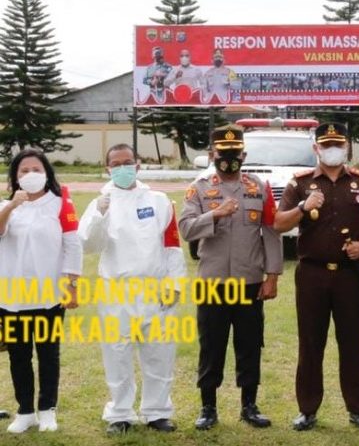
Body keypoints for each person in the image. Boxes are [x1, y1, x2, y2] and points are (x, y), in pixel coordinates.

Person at [275, 122, 359, 431]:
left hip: (349, 275)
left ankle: (358, 408)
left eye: (337, 144)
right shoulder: (300, 183)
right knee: (310, 343)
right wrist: (303, 207)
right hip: (312, 274)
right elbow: (279, 224)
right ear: (316, 149)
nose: (332, 150)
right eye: (326, 145)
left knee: (352, 342)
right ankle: (307, 409)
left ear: (346, 147)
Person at [78, 144, 187, 434]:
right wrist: (99, 215)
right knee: (117, 353)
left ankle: (156, 411)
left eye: (128, 162)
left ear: (137, 166)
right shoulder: (101, 202)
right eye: (116, 163)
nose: (123, 168)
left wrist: (175, 284)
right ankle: (120, 413)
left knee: (159, 353)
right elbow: (89, 245)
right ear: (108, 168)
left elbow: (172, 244)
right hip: (116, 289)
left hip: (154, 287)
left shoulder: (159, 200)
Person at [178, 126, 282, 430]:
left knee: (250, 345)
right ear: (213, 155)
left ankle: (249, 405)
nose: (229, 160)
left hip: (249, 281)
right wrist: (216, 214)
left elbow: (271, 232)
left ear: (244, 155)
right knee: (211, 345)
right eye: (223, 155)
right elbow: (185, 229)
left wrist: (272, 274)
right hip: (213, 284)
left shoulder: (257, 187)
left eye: (235, 154)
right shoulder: (198, 188)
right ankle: (208, 407)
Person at [0, 149, 82, 433]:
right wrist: (11, 206)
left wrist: (71, 285)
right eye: (23, 171)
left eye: (36, 169)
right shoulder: (6, 206)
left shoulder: (59, 203)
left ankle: (47, 409)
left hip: (49, 295)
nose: (30, 175)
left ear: (46, 173)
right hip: (12, 297)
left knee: (48, 354)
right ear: (15, 177)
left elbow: (72, 244)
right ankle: (25, 411)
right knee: (18, 355)